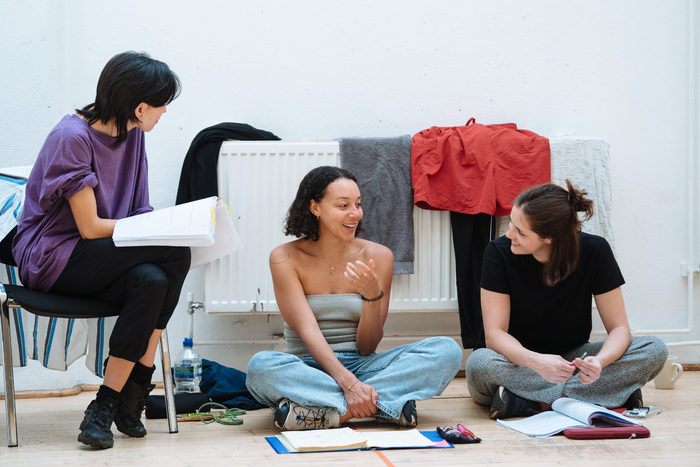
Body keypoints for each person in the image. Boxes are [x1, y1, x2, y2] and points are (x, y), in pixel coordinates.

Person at [12, 51, 191, 448]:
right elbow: (91, 228)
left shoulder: (132, 136)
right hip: (53, 258)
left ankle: (106, 405)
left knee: (152, 279)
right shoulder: (72, 137)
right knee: (177, 252)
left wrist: (161, 225)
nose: (163, 114)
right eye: (161, 106)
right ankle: (140, 381)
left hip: (99, 260)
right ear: (140, 106)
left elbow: (139, 209)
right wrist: (166, 231)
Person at [245, 166, 462, 430]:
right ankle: (385, 405)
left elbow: (367, 347)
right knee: (261, 367)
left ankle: (327, 413)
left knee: (446, 350)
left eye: (358, 204)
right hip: (308, 367)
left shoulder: (379, 256)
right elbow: (308, 332)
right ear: (315, 207)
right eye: (343, 205)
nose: (354, 213)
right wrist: (350, 385)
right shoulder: (285, 257)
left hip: (365, 365)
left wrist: (372, 297)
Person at [465, 180, 667, 419]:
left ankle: (530, 402)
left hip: (572, 359)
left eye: (520, 232)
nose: (510, 235)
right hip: (518, 362)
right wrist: (537, 363)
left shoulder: (595, 250)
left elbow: (620, 328)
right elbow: (494, 335)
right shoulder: (498, 253)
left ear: (549, 237)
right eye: (511, 223)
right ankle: (608, 395)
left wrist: (599, 363)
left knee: (654, 348)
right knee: (480, 363)